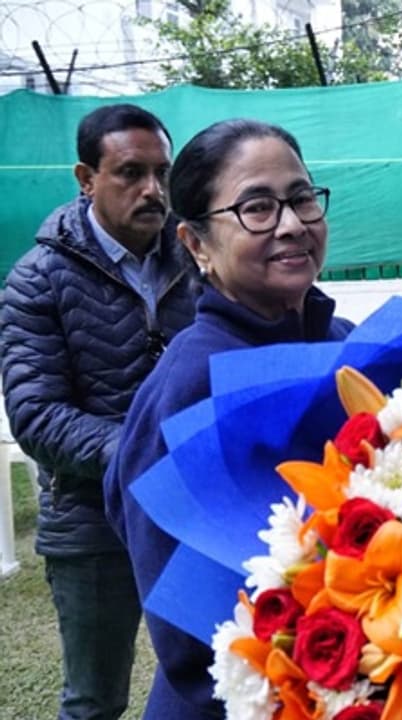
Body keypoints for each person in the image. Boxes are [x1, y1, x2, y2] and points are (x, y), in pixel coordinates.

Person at [102, 119, 354, 718]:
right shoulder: (195, 382)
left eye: (300, 199)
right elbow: (187, 626)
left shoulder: (349, 349)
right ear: (195, 244)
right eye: (257, 209)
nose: (291, 224)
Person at [0, 104, 198, 720]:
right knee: (93, 700)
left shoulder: (198, 255)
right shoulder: (37, 281)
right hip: (92, 524)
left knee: (217, 680)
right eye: (131, 172)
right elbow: (36, 414)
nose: (153, 190)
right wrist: (144, 450)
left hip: (192, 513)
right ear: (86, 178)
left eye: (162, 173)